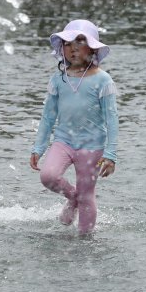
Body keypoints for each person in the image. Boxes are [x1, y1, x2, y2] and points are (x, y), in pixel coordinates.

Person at [30, 20, 119, 235]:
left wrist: (111, 154)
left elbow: (112, 119)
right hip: (64, 141)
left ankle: (84, 240)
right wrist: (39, 147)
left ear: (93, 48)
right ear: (61, 49)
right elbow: (48, 116)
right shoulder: (58, 80)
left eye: (80, 42)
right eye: (68, 43)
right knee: (48, 176)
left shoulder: (103, 80)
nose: (73, 48)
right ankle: (73, 197)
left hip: (92, 146)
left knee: (88, 196)